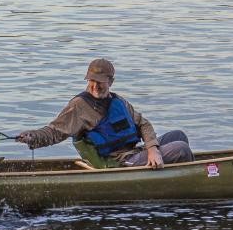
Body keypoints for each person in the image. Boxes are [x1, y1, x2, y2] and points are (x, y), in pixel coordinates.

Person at [16, 58, 193, 169]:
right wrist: (33, 137)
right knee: (181, 149)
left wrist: (153, 150)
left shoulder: (118, 102)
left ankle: (169, 174)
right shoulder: (79, 106)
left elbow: (143, 124)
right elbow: (54, 131)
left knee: (179, 135)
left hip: (133, 153)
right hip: (116, 162)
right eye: (91, 81)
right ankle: (186, 181)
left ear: (111, 81)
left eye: (100, 82)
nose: (95, 86)